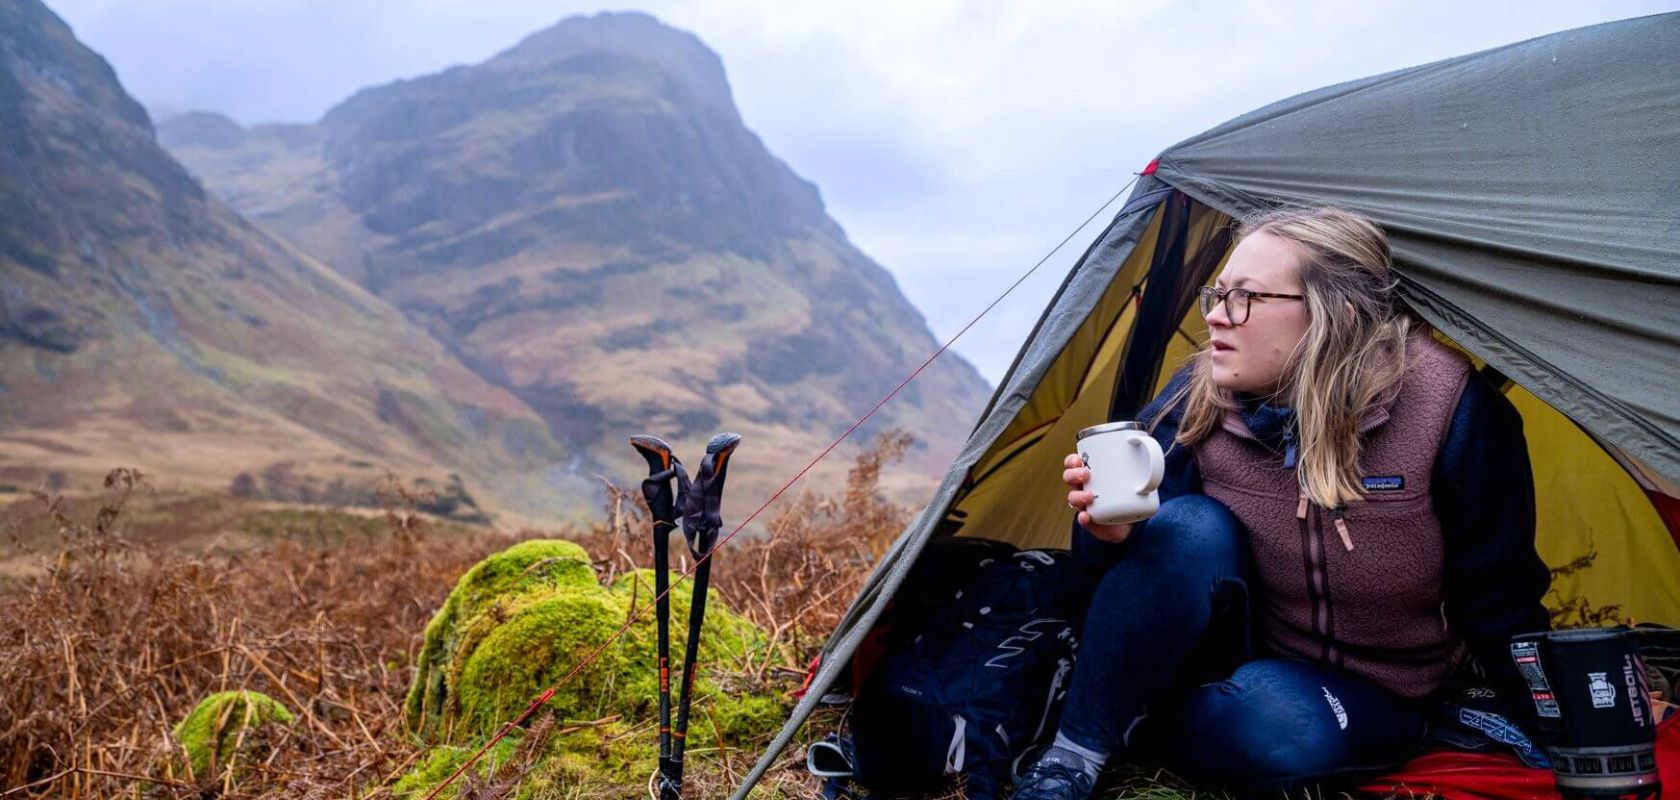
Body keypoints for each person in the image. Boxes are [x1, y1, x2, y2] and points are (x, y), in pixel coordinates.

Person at [1009, 206, 1553, 799]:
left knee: (1276, 729)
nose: (1216, 317)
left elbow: (1503, 597)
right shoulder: (1201, 396)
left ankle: (1155, 723)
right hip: (1239, 645)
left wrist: (1564, 711)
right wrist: (1106, 532)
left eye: (1245, 298)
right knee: (1188, 525)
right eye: (1216, 294)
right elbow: (1129, 568)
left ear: (1333, 316)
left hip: (1379, 690)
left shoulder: (1448, 410)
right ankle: (1073, 755)